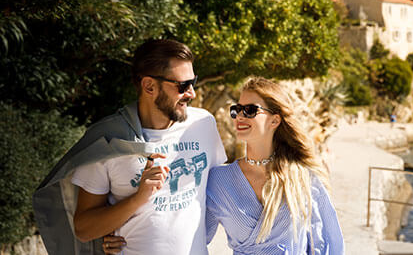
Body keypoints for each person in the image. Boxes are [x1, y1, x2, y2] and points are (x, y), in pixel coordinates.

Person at [33, 39, 227, 255]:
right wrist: (138, 199)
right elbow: (84, 229)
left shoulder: (203, 124)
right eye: (182, 86)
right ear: (149, 86)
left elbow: (220, 190)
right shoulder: (109, 140)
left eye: (193, 82)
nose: (191, 93)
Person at [206, 76, 344, 254]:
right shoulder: (218, 181)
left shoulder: (302, 175)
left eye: (249, 110)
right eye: (236, 110)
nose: (239, 116)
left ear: (274, 120)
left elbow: (328, 244)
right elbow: (193, 240)